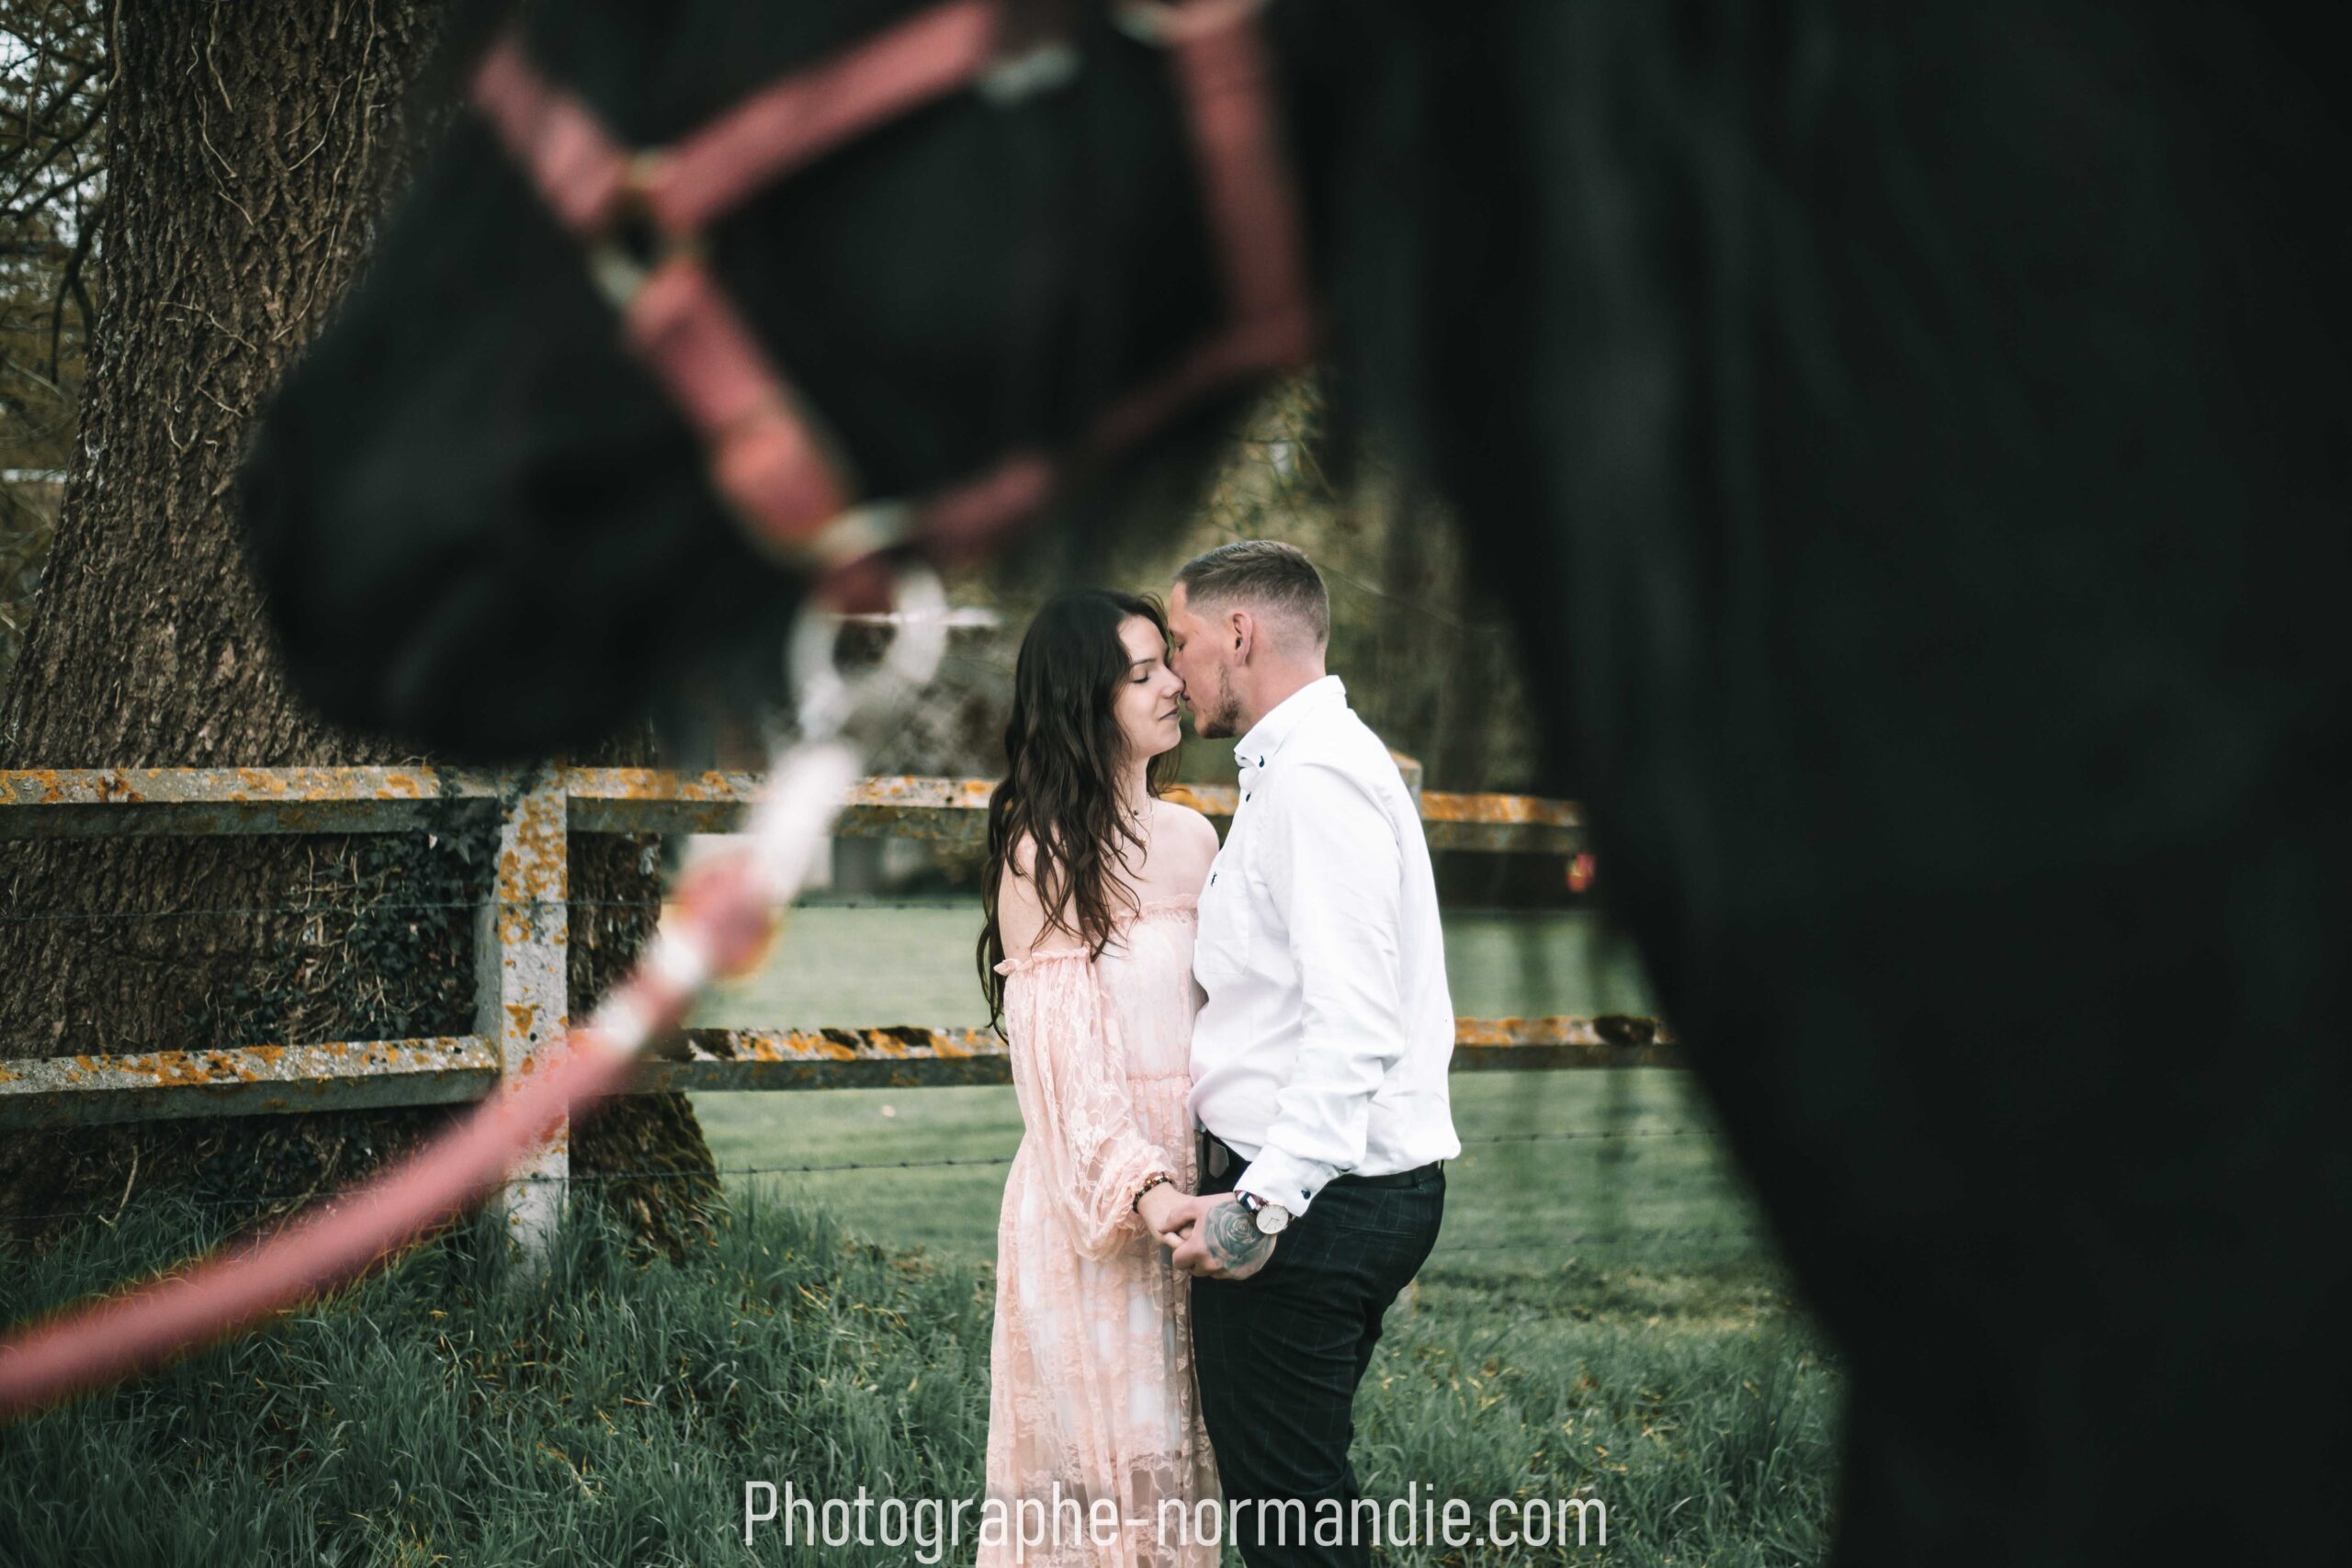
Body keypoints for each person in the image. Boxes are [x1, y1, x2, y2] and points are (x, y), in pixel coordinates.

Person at [1157, 540, 1460, 1568]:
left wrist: (1261, 1206)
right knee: (1299, 1500)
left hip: (1318, 1200)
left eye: (1181, 641)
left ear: (1238, 634)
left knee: (1290, 1518)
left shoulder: (1316, 781)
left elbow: (1356, 1024)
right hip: (1332, 1188)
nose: (1172, 666)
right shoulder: (1300, 766)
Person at [976, 590, 1224, 1567]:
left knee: (1180, 1486)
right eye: (1142, 672)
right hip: (1095, 1208)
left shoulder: (1196, 839)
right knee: (1109, 1502)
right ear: (1085, 701)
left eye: (1169, 661)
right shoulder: (1042, 856)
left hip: (1201, 1199)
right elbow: (1059, 1063)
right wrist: (1145, 1190)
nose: (1174, 683)